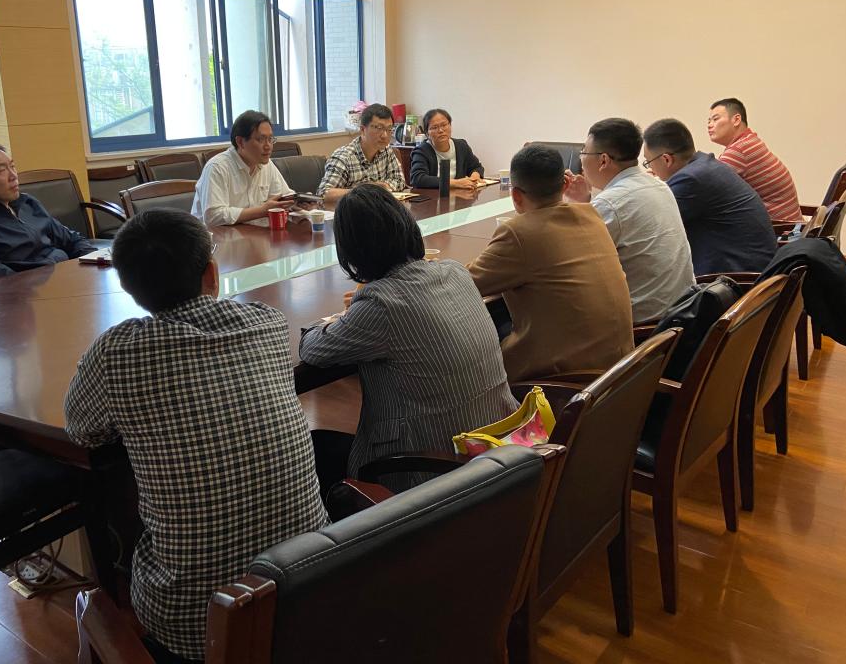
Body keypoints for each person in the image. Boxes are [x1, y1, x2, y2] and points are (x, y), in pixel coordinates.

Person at [64, 209, 327, 662]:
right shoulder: (266, 322)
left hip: (196, 625)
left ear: (127, 286)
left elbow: (82, 429)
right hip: (309, 588)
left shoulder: (115, 352)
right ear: (211, 273)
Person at [298, 184, 515, 489]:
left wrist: (332, 321)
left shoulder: (381, 304)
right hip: (499, 449)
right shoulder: (456, 272)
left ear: (351, 250)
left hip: (434, 473)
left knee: (315, 445)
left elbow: (313, 350)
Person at [467, 144, 634, 382]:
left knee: (468, 350)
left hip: (564, 382)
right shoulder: (591, 215)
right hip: (618, 373)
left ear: (515, 195)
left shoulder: (519, 232)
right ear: (565, 185)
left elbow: (465, 284)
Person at [564, 118, 695, 323]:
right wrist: (585, 202)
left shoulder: (609, 204)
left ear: (603, 160)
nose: (581, 159)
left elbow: (569, 263)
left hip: (643, 327)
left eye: (584, 152)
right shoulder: (660, 186)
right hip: (682, 313)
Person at [0, 140, 93, 283]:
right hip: (27, 297)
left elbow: (72, 240)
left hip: (67, 280)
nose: (13, 176)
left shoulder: (28, 203)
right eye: (1, 170)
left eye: (12, 167)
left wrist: (95, 261)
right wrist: (56, 265)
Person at [644, 118, 777, 275]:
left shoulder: (691, 180)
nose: (650, 168)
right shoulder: (704, 165)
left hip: (741, 278)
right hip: (758, 267)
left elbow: (651, 227)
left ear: (667, 159)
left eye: (648, 162)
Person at [191, 110, 295, 227]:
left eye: (270, 139)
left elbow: (283, 196)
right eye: (261, 139)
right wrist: (261, 211)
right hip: (218, 236)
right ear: (240, 142)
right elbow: (213, 216)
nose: (268, 146)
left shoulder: (267, 165)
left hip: (254, 233)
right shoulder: (217, 167)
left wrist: (298, 204)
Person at [708, 98, 803, 222]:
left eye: (715, 119)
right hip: (790, 224)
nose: (709, 125)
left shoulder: (739, 150)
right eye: (709, 121)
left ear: (736, 120)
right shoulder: (749, 140)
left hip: (781, 229)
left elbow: (709, 190)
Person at [316, 103, 406, 201]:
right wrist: (365, 191)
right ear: (362, 130)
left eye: (389, 129)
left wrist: (384, 186)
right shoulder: (344, 157)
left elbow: (399, 180)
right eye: (379, 128)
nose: (385, 135)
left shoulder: (386, 150)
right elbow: (323, 194)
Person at [409, 108, 485, 189]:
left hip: (459, 194)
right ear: (427, 133)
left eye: (444, 125)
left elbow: (476, 167)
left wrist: (475, 176)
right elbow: (417, 178)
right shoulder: (421, 151)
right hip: (433, 195)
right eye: (434, 127)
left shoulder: (461, 146)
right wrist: (455, 183)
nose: (441, 130)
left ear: (450, 126)